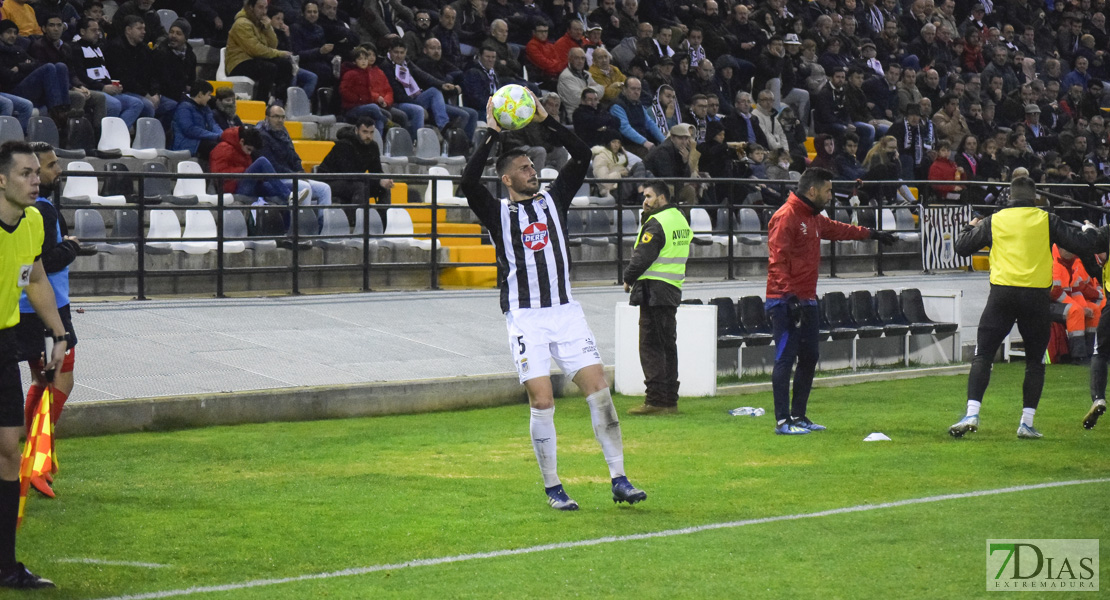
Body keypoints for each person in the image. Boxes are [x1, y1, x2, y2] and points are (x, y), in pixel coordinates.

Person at [458, 91, 648, 511]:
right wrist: (490, 135)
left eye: (533, 165)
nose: (533, 171)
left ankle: (619, 478)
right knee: (542, 400)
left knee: (599, 391)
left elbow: (581, 156)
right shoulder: (496, 213)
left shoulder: (553, 200)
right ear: (507, 179)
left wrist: (547, 120)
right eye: (525, 168)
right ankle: (553, 487)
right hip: (526, 317)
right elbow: (468, 183)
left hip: (566, 312)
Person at [950, 177, 1096, 440]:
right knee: (1034, 361)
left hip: (1002, 294)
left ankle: (972, 413)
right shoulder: (1046, 219)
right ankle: (1026, 423)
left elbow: (962, 247)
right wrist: (1088, 230)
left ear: (1009, 197)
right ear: (1035, 198)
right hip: (1035, 297)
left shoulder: (995, 219)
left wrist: (967, 227)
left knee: (983, 354)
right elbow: (1082, 245)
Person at [766, 167, 896, 435]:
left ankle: (798, 416)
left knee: (810, 356)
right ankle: (782, 421)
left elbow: (839, 229)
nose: (830, 196)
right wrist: (789, 297)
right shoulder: (786, 216)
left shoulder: (812, 216)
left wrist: (872, 233)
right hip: (785, 299)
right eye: (827, 190)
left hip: (808, 298)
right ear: (812, 190)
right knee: (785, 358)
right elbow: (777, 260)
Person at [0, 140, 68, 589]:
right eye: (25, 173)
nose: (35, 179)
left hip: (3, 341)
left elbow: (36, 276)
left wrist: (59, 333)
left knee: (9, 448)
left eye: (35, 172)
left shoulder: (36, 219)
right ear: (1, 179)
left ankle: (5, 566)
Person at [14, 143, 76, 500]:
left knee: (42, 379)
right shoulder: (41, 209)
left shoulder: (31, 209)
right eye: (46, 167)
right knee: (61, 382)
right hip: (50, 307)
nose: (52, 173)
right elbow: (46, 262)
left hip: (31, 308)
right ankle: (34, 461)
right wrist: (72, 247)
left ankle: (39, 458)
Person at [624, 181, 691, 415]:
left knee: (651, 346)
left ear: (662, 198)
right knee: (667, 346)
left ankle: (655, 401)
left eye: (649, 196)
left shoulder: (656, 222)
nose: (645, 201)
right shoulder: (680, 218)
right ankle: (669, 400)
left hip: (654, 290)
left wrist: (628, 277)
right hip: (671, 288)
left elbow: (644, 255)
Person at [316, 117, 393, 219]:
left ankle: (383, 224)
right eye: (365, 132)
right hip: (329, 181)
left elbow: (376, 171)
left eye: (371, 132)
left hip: (353, 179)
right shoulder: (344, 144)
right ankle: (357, 225)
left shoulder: (373, 146)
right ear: (356, 130)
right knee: (360, 186)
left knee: (383, 189)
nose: (368, 136)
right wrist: (378, 181)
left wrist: (383, 180)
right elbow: (348, 173)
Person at [226, 0, 294, 104]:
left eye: (266, 8)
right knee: (269, 68)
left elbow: (273, 45)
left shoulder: (259, 23)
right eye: (260, 7)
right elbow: (256, 50)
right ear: (251, 7)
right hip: (238, 63)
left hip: (254, 60)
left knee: (285, 65)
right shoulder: (241, 23)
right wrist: (279, 53)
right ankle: (261, 103)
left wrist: (268, 28)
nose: (264, 12)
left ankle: (279, 101)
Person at [1050, 244, 1103, 364]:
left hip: (1063, 303)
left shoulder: (1071, 262)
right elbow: (1055, 293)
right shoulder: (1053, 262)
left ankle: (1090, 353)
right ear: (1060, 248)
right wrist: (1079, 307)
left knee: (1093, 310)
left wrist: (1084, 306)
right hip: (1047, 305)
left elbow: (1075, 289)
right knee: (1075, 311)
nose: (1071, 252)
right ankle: (1078, 356)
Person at [170, 81, 223, 159]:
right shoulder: (184, 108)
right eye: (208, 95)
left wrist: (223, 135)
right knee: (216, 147)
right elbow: (189, 129)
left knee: (225, 145)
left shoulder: (206, 108)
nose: (210, 98)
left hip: (201, 141)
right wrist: (215, 136)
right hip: (186, 144)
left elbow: (213, 125)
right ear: (200, 94)